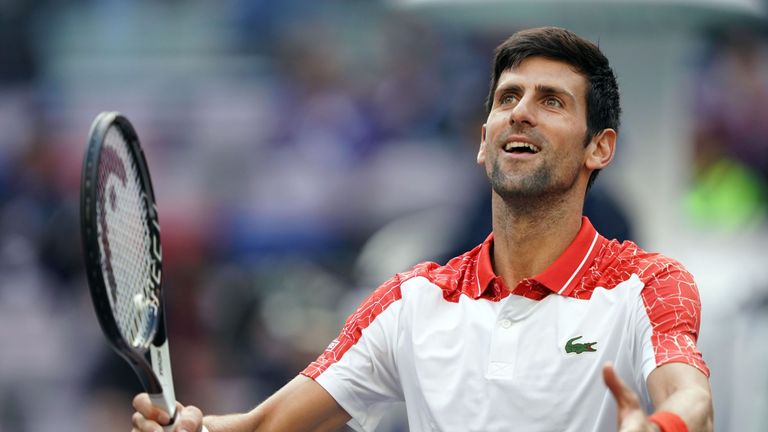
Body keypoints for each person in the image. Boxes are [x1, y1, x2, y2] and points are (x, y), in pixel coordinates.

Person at [132, 27, 713, 432]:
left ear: (599, 148)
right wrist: (194, 429)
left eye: (552, 101)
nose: (521, 111)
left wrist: (660, 426)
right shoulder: (411, 301)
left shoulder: (649, 286)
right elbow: (264, 424)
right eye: (508, 97)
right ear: (483, 142)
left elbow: (691, 399)